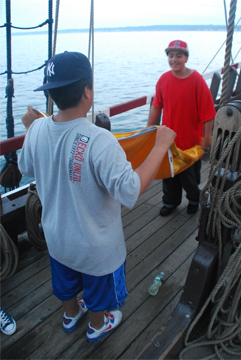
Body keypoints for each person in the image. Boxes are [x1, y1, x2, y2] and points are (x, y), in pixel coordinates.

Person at [18, 51, 176, 342]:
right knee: (99, 292)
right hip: (96, 248)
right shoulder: (100, 140)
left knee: (65, 284)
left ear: (50, 95)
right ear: (87, 92)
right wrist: (160, 146)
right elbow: (129, 190)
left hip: (56, 239)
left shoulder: (37, 128)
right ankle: (97, 324)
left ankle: (70, 315)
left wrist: (30, 129)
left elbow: (26, 166)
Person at [147, 40, 216, 216]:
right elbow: (156, 105)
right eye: (171, 55)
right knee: (169, 176)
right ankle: (170, 202)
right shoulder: (163, 79)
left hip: (191, 142)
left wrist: (206, 138)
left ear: (186, 57)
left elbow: (208, 113)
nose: (174, 59)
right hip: (168, 141)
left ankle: (194, 200)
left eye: (179, 55)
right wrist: (148, 128)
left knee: (190, 178)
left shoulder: (197, 80)